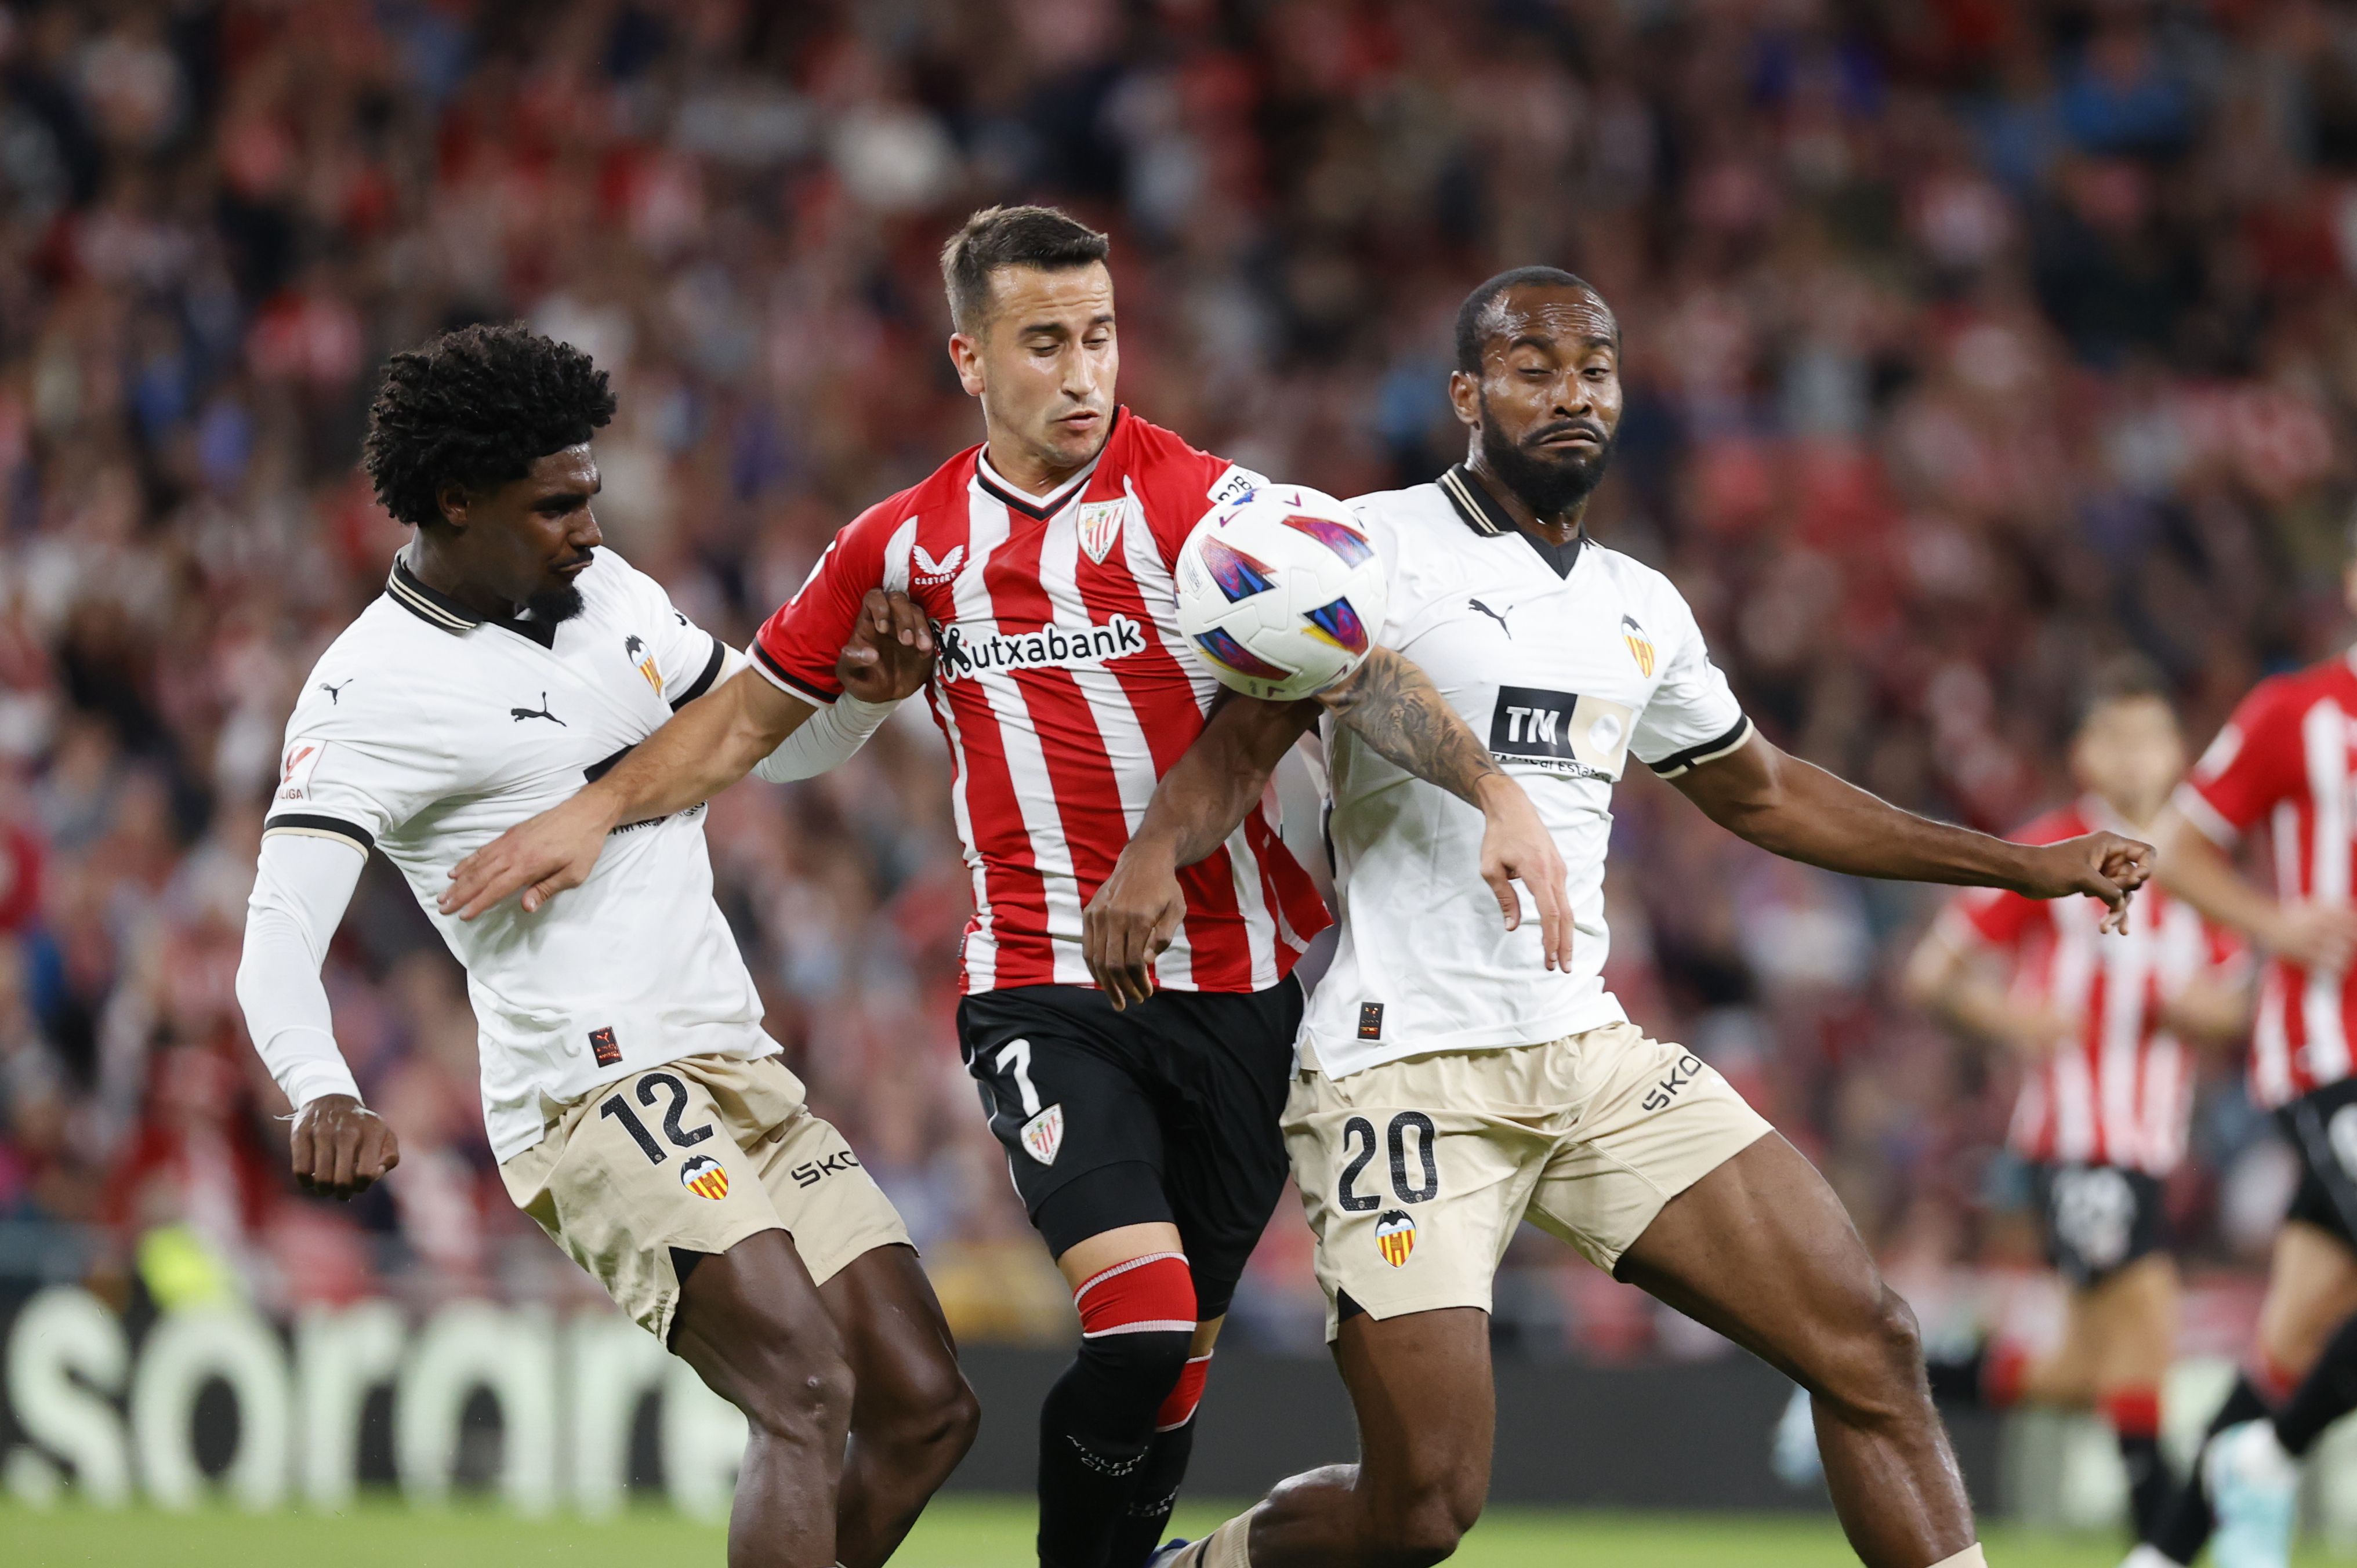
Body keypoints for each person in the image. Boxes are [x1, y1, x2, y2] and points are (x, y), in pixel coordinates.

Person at [434, 207, 1571, 1568]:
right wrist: (597, 807)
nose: (1084, 372)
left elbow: (1354, 664)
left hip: (1248, 995)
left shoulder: (1208, 507)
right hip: (1044, 989)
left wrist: (1500, 797)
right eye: (1044, 343)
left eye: (1099, 336)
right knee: (1138, 1321)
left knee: (1172, 1367)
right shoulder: (904, 545)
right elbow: (750, 717)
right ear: (969, 357)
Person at [1080, 267, 2155, 1568]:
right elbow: (1242, 744)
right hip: (1404, 1066)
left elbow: (1768, 795)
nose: (1571, 392)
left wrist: (2017, 864)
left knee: (1865, 1341)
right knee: (1422, 1505)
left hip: (1587, 1055)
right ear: (1467, 393)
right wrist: (1150, 856)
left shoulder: (1640, 605)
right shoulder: (1367, 545)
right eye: (1533, 368)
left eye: (1593, 368)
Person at [235, 324, 977, 1568]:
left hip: (736, 1064)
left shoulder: (611, 595)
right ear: (454, 500)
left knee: (925, 1406)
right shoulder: (368, 692)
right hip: (592, 1087)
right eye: (554, 505)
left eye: (590, 495)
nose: (587, 526)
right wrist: (322, 1086)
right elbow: (277, 934)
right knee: (803, 1390)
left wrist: (859, 696)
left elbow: (763, 737)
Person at [1791, 660, 2246, 1542]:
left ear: (2179, 751)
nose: (2134, 755)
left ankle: (1865, 1384)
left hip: (2153, 1144)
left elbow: (2238, 996)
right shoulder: (2058, 851)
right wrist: (2019, 1018)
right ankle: (2166, 1545)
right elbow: (1931, 974)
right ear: (2083, 752)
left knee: (2086, 1369)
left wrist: (2205, 1010)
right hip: (2079, 1140)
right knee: (2145, 1337)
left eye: (2150, 735)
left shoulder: (2199, 870)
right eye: (2114, 735)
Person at [2124, 542, 2357, 1568]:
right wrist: (2274, 923)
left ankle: (2163, 1554)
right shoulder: (2294, 714)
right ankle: (2271, 1455)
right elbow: (2174, 849)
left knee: (2298, 1329)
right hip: (2328, 1052)